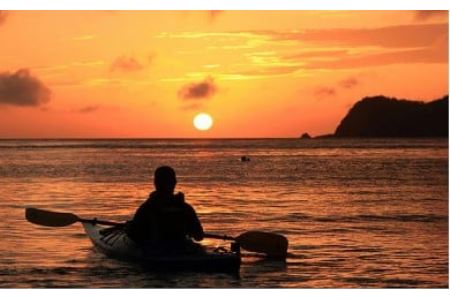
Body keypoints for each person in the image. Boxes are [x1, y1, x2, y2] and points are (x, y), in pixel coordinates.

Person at [126, 166, 204, 253]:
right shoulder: (185, 208)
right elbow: (199, 236)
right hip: (181, 250)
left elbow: (134, 234)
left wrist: (128, 228)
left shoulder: (148, 207)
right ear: (174, 182)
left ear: (155, 183)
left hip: (156, 252)